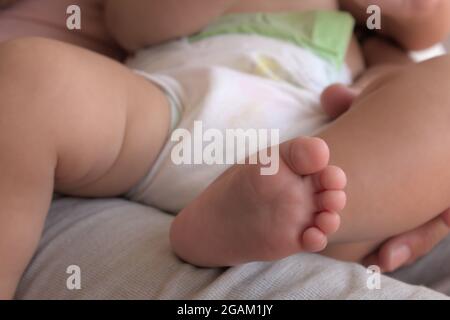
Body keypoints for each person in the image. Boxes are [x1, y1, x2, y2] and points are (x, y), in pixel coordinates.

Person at [1, 0, 450, 299]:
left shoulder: (365, 27)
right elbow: (135, 22)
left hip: (328, 150)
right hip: (171, 114)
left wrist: (385, 90)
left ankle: (239, 222)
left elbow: (426, 21)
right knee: (29, 77)